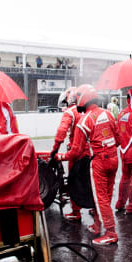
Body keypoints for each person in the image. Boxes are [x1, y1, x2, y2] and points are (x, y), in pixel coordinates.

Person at [56, 86, 120, 245]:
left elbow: (75, 153)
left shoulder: (85, 120)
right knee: (106, 196)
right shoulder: (108, 114)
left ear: (83, 98)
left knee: (101, 199)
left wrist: (59, 156)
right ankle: (98, 225)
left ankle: (111, 233)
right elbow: (118, 139)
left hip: (99, 162)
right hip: (114, 159)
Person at [50, 87, 84, 221]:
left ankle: (76, 212)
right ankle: (95, 210)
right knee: (89, 182)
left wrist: (55, 149)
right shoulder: (86, 111)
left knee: (73, 182)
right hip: (90, 152)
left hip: (75, 152)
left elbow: (61, 132)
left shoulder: (70, 112)